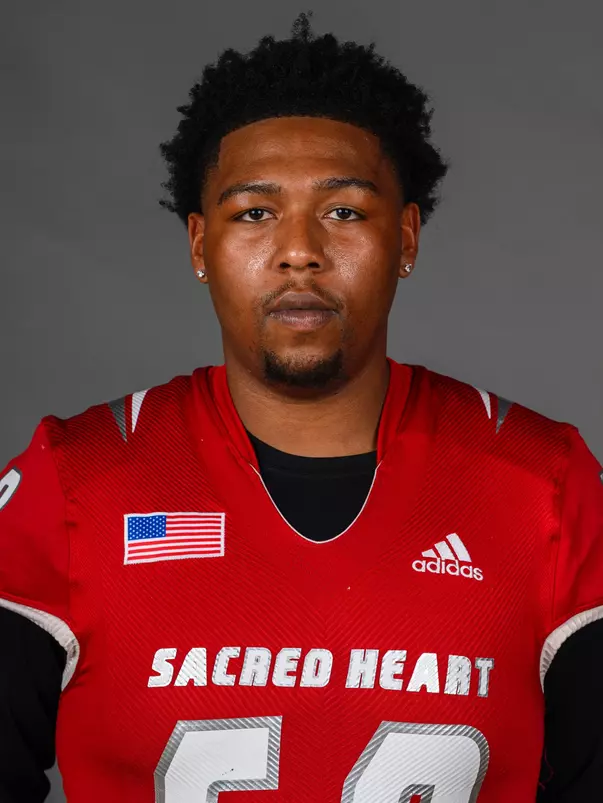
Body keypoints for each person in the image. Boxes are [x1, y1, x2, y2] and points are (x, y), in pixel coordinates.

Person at [0, 11, 602, 802]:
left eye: (344, 210)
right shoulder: (73, 483)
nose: (299, 248)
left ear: (408, 237)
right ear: (197, 246)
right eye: (253, 212)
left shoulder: (546, 486)